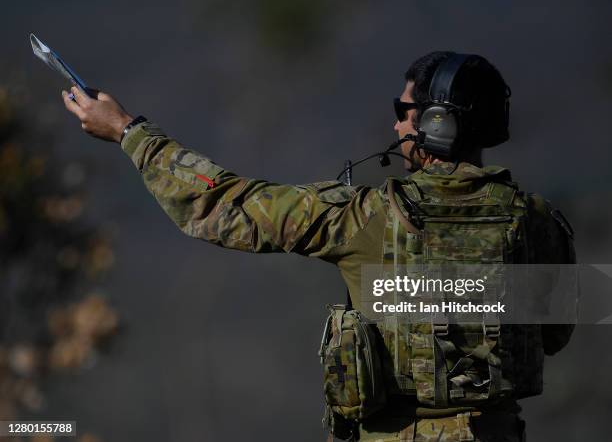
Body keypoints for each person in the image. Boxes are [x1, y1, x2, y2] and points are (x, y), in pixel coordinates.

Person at [60, 51, 575, 441]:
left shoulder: (364, 215)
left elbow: (225, 207)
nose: (396, 124)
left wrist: (129, 132)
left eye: (405, 110)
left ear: (436, 123)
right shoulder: (540, 223)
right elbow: (555, 336)